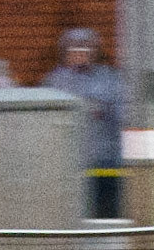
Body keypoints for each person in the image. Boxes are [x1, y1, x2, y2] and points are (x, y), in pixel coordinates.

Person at [42, 28, 123, 218]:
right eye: (74, 48)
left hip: (106, 161)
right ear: (65, 52)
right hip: (69, 164)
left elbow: (123, 114)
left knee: (109, 217)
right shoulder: (54, 81)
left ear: (95, 51)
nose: (80, 53)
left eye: (85, 48)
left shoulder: (111, 78)